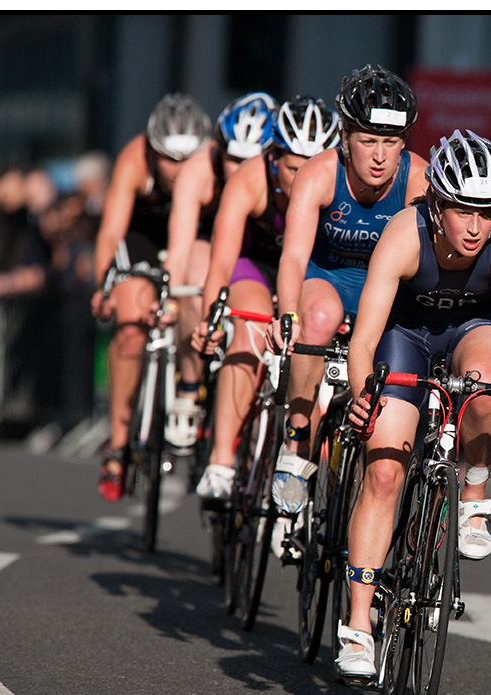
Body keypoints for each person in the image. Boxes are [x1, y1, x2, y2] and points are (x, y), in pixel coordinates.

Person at [334, 129, 491, 682]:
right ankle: (359, 626)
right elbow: (363, 341)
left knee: (485, 382)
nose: (478, 226)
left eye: (490, 212)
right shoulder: (402, 236)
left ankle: (474, 493)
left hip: (473, 331)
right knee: (385, 472)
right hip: (403, 336)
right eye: (464, 211)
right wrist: (366, 395)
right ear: (436, 204)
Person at [267, 64, 427, 524]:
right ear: (345, 138)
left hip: (385, 292)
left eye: (391, 143)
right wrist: (287, 315)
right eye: (368, 141)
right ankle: (298, 437)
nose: (380, 156)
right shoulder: (318, 175)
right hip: (327, 277)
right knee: (317, 316)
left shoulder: (416, 180)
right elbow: (294, 258)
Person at [191, 96, 342, 506]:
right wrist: (209, 318)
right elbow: (220, 264)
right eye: (295, 167)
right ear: (273, 158)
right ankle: (221, 461)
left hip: (313, 273)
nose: (306, 176)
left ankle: (297, 465)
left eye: (314, 164)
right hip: (257, 266)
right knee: (253, 326)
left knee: (319, 344)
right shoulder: (249, 180)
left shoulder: (335, 182)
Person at [90, 93, 212, 501]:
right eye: (169, 159)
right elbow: (110, 232)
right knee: (131, 324)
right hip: (143, 236)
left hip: (194, 235)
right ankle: (119, 440)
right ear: (153, 148)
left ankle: (198, 398)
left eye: (186, 159)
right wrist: (104, 286)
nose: (178, 170)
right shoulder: (134, 159)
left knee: (201, 299)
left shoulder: (213, 163)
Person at [163, 91, 277, 450]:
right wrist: (169, 297)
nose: (242, 168)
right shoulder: (199, 172)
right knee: (196, 281)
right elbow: (179, 249)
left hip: (258, 259)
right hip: (212, 248)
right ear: (218, 149)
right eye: (233, 158)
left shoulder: (279, 180)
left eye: (253, 157)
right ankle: (190, 382)